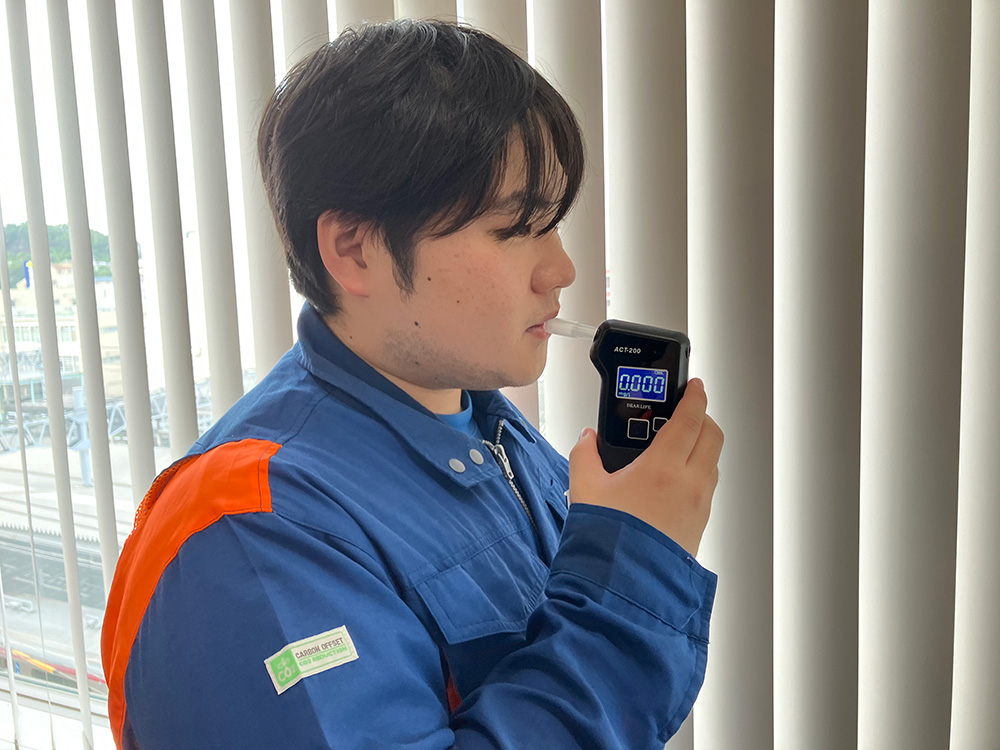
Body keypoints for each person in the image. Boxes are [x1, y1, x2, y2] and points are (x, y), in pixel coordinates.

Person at [101, 19, 724, 750]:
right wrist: (634, 570)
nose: (561, 270)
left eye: (554, 224)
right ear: (355, 249)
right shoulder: (249, 532)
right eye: (516, 228)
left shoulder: (491, 431)